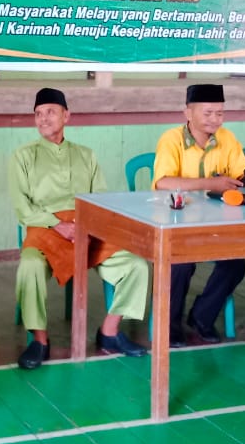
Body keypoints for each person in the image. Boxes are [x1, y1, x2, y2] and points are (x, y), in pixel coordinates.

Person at [10, 88, 150, 369]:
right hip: (45, 228)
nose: (43, 119)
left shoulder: (86, 155)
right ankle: (39, 340)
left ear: (67, 116)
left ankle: (109, 332)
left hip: (87, 228)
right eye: (38, 114)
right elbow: (22, 208)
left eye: (50, 112)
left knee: (136, 265)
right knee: (30, 266)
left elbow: (100, 199)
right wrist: (57, 224)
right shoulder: (22, 156)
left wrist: (87, 226)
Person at [150, 84, 245, 347]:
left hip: (215, 223)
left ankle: (202, 316)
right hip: (175, 222)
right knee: (179, 265)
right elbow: (163, 182)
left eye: (220, 113)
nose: (215, 119)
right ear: (188, 113)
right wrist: (210, 184)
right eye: (208, 113)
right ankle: (169, 324)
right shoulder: (171, 139)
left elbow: (239, 173)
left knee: (234, 265)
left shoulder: (227, 138)